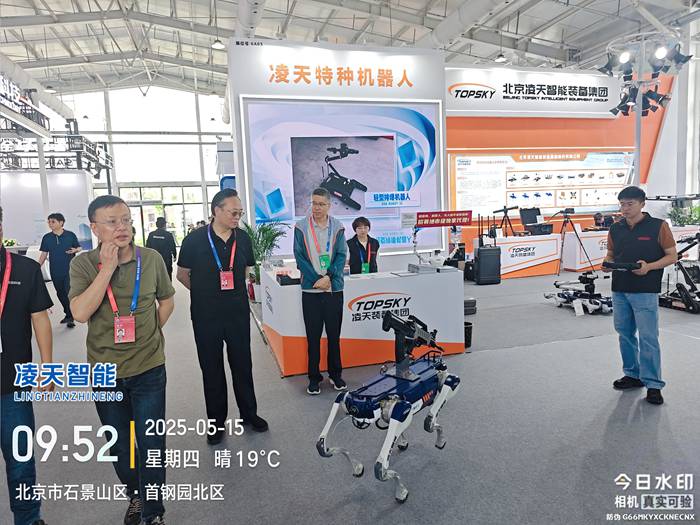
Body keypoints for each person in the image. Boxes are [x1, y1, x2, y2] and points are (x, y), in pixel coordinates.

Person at [69, 195, 175, 525]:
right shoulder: (83, 264)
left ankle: (153, 511)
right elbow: (80, 312)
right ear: (94, 228)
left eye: (126, 220)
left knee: (151, 442)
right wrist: (108, 268)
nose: (122, 227)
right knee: (120, 445)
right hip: (104, 372)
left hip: (149, 368)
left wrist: (149, 334)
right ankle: (135, 494)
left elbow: (167, 301)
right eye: (112, 222)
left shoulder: (151, 258)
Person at [176, 189, 268, 443]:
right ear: (216, 210)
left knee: (243, 365)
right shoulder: (194, 240)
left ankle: (249, 414)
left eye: (240, 213)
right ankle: (216, 423)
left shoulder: (243, 238)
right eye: (233, 212)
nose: (237, 217)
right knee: (211, 368)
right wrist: (204, 294)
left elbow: (246, 269)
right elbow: (182, 274)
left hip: (237, 312)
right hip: (206, 315)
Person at [0, 206, 53, 525]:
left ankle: (28, 517)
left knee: (20, 458)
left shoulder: (24, 268)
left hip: (13, 382)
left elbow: (40, 318)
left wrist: (47, 367)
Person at [602, 186, 677, 405]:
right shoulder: (615, 228)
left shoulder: (659, 226)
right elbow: (611, 253)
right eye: (622, 204)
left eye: (630, 204)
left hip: (645, 289)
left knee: (648, 337)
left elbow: (672, 256)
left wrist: (649, 267)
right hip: (619, 288)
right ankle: (632, 375)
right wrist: (607, 263)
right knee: (625, 334)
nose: (625, 209)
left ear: (642, 204)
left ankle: (653, 384)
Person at [294, 188, 348, 395]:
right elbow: (299, 256)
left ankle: (336, 374)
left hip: (333, 290)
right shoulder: (301, 227)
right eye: (314, 203)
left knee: (334, 336)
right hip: (311, 291)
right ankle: (314, 377)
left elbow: (341, 255)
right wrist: (317, 279)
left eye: (321, 204)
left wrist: (329, 277)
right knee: (313, 337)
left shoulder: (338, 227)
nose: (316, 208)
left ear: (329, 205)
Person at [38, 212, 81, 328]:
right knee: (60, 293)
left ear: (61, 222)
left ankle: (71, 317)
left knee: (68, 292)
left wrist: (75, 250)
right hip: (55, 270)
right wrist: (36, 267)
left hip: (70, 270)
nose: (50, 224)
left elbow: (79, 247)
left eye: (53, 221)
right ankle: (68, 313)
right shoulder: (47, 238)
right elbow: (44, 254)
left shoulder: (70, 235)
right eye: (49, 222)